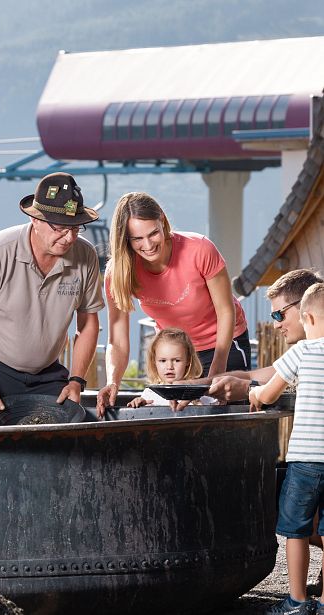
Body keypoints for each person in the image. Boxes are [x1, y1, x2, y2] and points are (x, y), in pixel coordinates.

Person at [0, 172, 104, 413]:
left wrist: (77, 380)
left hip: (48, 374)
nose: (69, 238)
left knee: (63, 442)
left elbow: (88, 324)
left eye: (76, 228)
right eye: (59, 228)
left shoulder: (85, 255)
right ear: (35, 220)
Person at [97, 191, 250, 416]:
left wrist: (216, 371)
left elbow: (226, 311)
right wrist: (113, 382)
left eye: (153, 233)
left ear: (163, 223)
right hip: (176, 355)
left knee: (223, 414)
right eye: (137, 239)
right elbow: (117, 339)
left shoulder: (199, 249)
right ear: (125, 240)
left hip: (222, 344)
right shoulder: (118, 273)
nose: (148, 245)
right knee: (176, 415)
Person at [249, 282, 324, 615]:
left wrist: (254, 395)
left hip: (306, 460)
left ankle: (296, 600)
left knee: (295, 529)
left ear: (306, 317)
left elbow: (267, 393)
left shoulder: (303, 351)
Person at [207, 269, 324, 404]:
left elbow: (271, 391)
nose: (276, 325)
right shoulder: (305, 355)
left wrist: (248, 389)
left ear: (304, 307)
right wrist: (193, 385)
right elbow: (251, 376)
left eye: (279, 315)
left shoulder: (303, 351)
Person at [127, 327, 216, 407]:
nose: (169, 367)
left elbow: (215, 407)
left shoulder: (198, 390)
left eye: (176, 360)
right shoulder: (150, 392)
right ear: (154, 362)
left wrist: (199, 404)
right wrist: (139, 403)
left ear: (188, 360)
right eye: (163, 361)